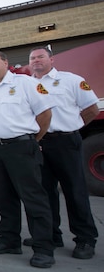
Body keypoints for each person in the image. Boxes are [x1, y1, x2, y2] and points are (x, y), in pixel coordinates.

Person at [0, 50, 56, 268]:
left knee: (33, 199)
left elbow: (45, 115)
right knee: (3, 198)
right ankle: (10, 240)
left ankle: (43, 248)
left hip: (22, 147)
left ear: (5, 62)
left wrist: (31, 140)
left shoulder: (25, 83)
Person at [29, 46, 99, 259]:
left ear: (51, 59)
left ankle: (85, 239)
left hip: (66, 142)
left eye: (40, 56)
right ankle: (51, 234)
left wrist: (72, 128)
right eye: (32, 58)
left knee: (74, 191)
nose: (36, 61)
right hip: (40, 143)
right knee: (45, 192)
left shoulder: (72, 80)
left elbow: (92, 110)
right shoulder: (28, 84)